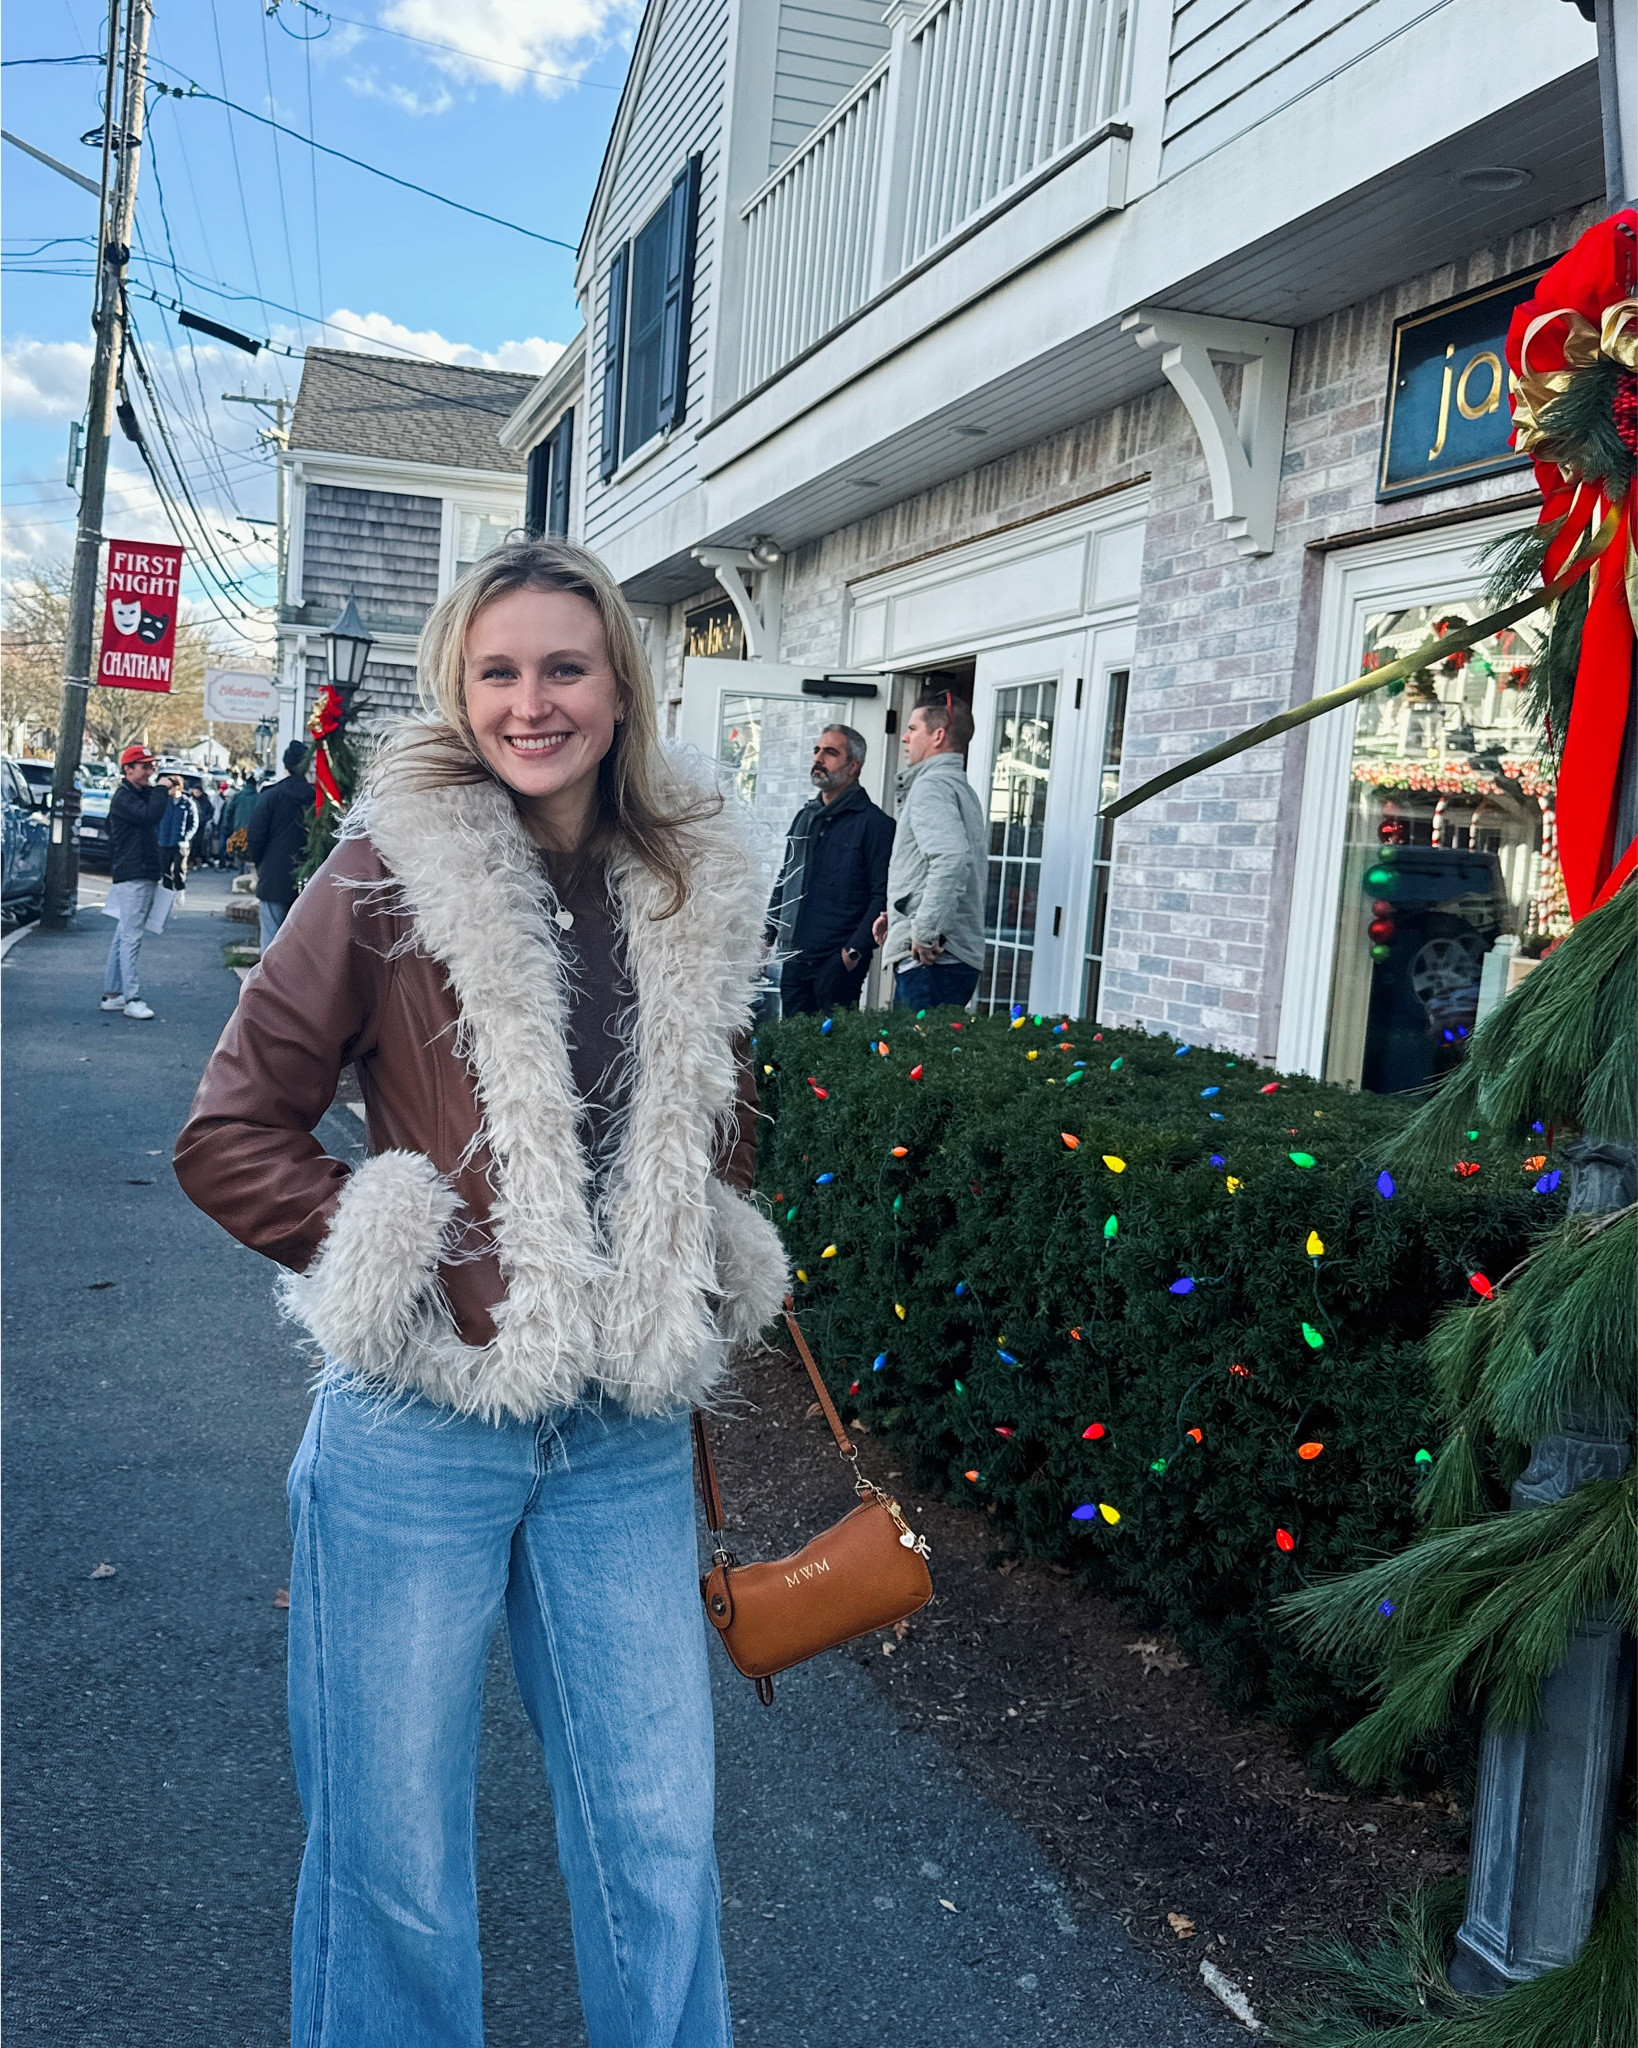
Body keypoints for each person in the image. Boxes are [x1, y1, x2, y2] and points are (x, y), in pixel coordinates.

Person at [173, 537, 786, 2048]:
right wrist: (418, 1257)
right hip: (420, 1426)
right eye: (499, 670)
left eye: (564, 667)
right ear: (459, 686)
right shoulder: (383, 872)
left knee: (659, 1847)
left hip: (623, 1435)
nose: (532, 702)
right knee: (394, 1870)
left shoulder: (687, 874)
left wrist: (688, 1245)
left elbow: (715, 1109)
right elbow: (228, 1132)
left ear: (617, 687)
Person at [764, 723, 894, 1014]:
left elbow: (881, 894)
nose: (818, 758)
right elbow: (786, 879)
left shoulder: (875, 824)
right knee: (792, 1050)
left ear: (853, 766)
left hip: (837, 963)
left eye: (831, 752)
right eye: (817, 750)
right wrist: (767, 935)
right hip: (795, 956)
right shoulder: (806, 817)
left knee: (831, 1052)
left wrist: (852, 952)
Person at [871, 692, 986, 1011]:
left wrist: (923, 931)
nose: (905, 738)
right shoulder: (958, 787)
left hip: (931, 961)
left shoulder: (931, 786)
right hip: (946, 960)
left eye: (912, 728)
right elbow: (934, 866)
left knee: (914, 1060)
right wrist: (898, 915)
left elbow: (951, 860)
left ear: (938, 735)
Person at [100, 745, 173, 1020]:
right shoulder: (124, 799)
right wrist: (163, 790)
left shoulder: (132, 795)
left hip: (134, 871)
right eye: (144, 766)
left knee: (123, 933)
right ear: (127, 770)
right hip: (134, 873)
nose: (150, 772)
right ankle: (132, 997)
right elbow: (150, 816)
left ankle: (113, 993)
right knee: (131, 937)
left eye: (151, 765)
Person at [245, 740, 314, 951]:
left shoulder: (271, 796)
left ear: (286, 765)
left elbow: (256, 836)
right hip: (310, 877)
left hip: (274, 875)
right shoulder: (317, 798)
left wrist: (260, 865)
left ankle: (269, 983)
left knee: (271, 940)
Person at [156, 776, 199, 894]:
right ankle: (167, 894)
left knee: (178, 870)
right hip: (164, 841)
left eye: (171, 787)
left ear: (178, 787)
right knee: (165, 871)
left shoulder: (187, 803)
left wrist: (186, 837)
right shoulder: (165, 802)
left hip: (180, 843)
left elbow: (194, 824)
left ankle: (180, 891)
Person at [221, 771, 259, 869]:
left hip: (238, 827)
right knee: (249, 851)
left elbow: (228, 811)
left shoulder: (238, 796)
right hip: (253, 828)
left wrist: (230, 824)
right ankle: (249, 871)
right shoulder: (258, 797)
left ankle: (240, 870)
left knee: (238, 849)